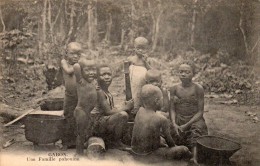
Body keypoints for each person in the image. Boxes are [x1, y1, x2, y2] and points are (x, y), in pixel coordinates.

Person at [131, 84, 190, 159]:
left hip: (135, 151)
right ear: (156, 101)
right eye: (162, 99)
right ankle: (191, 159)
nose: (163, 101)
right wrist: (175, 147)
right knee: (184, 149)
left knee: (161, 139)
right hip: (147, 155)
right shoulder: (161, 119)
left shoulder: (140, 110)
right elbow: (170, 143)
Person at [169, 61, 208, 165]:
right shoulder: (174, 89)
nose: (183, 74)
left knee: (197, 130)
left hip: (194, 118)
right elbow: (172, 109)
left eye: (187, 72)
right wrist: (174, 123)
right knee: (168, 128)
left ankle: (194, 158)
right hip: (179, 117)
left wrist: (187, 125)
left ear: (193, 74)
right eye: (181, 71)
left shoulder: (198, 88)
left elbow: (200, 112)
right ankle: (176, 150)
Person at [92, 64, 134, 149]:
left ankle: (118, 139)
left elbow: (110, 108)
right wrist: (126, 107)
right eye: (103, 75)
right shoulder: (99, 91)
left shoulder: (106, 90)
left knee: (123, 112)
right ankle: (115, 142)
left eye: (109, 74)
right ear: (97, 77)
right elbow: (108, 112)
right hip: (96, 124)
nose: (107, 77)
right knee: (123, 115)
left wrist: (123, 106)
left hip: (102, 121)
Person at [73, 58, 98, 155]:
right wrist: (82, 60)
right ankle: (78, 153)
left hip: (87, 112)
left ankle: (82, 148)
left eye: (93, 69)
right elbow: (76, 66)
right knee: (81, 133)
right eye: (87, 70)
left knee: (85, 131)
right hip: (81, 111)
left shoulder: (92, 81)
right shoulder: (81, 81)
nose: (91, 73)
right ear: (81, 71)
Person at [60, 42, 82, 150]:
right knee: (68, 117)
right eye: (73, 54)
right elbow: (68, 71)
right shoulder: (64, 62)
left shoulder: (80, 65)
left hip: (80, 96)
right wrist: (79, 65)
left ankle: (78, 141)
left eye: (78, 54)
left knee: (79, 117)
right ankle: (66, 142)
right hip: (69, 96)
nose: (76, 56)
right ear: (66, 53)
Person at [127, 37, 151, 115]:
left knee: (141, 96)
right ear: (134, 48)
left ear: (147, 49)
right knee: (132, 97)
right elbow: (126, 72)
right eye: (138, 48)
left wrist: (146, 62)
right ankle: (132, 110)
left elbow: (151, 72)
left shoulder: (147, 60)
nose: (140, 50)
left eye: (143, 48)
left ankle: (140, 110)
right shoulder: (131, 59)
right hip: (132, 82)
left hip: (143, 82)